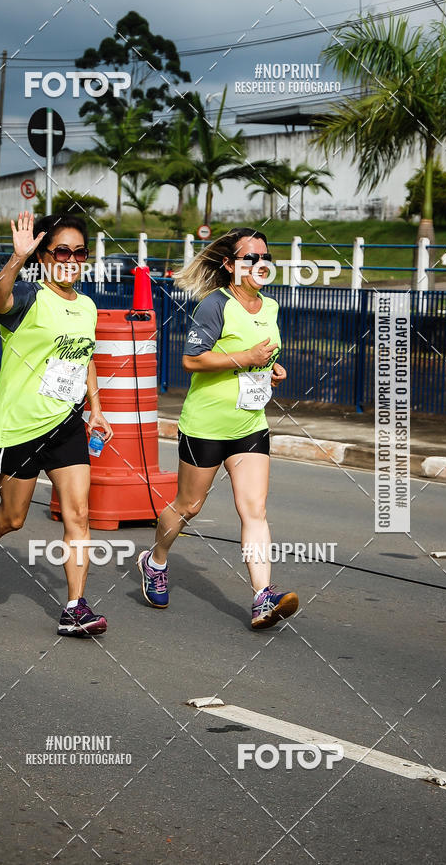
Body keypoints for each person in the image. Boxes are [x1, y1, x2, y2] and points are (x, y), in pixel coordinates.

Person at [0, 211, 113, 637]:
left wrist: (96, 408)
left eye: (79, 252)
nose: (71, 259)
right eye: (61, 251)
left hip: (67, 424)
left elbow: (85, 358)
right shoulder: (30, 298)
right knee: (11, 518)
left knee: (79, 514)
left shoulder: (88, 305)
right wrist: (17, 258)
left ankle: (75, 607)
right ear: (45, 256)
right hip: (19, 427)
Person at [137, 227, 298, 629]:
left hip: (249, 423)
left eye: (265, 257)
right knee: (189, 507)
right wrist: (245, 356)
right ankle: (155, 560)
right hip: (206, 424)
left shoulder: (271, 307)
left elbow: (259, 358)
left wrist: (270, 369)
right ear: (229, 265)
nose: (260, 264)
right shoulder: (215, 305)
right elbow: (193, 360)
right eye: (249, 258)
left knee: (255, 510)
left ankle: (263, 596)